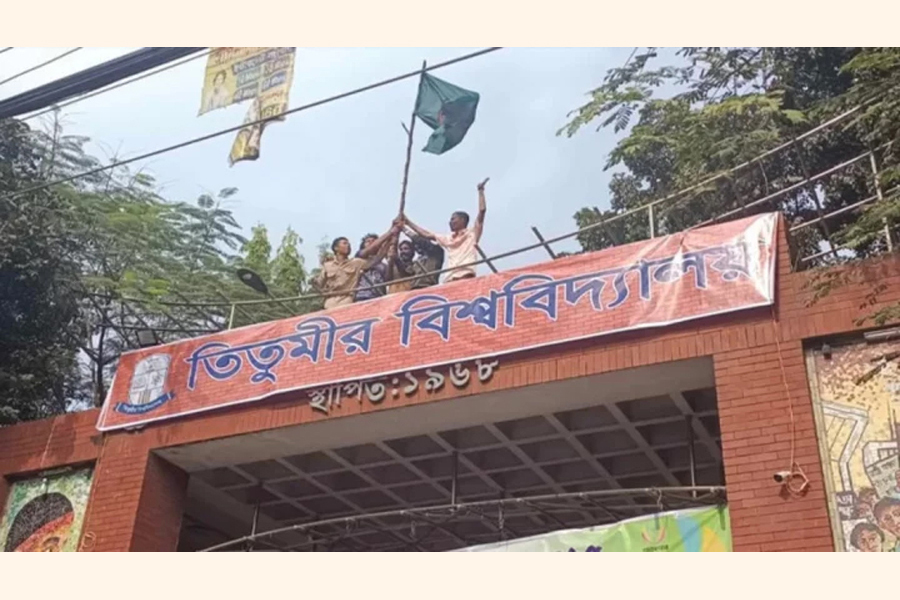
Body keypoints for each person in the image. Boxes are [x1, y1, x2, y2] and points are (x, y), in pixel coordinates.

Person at [404, 178, 488, 283]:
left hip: (466, 276)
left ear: (462, 220)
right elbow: (427, 234)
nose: (450, 222)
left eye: (453, 219)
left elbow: (482, 211)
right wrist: (407, 223)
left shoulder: (472, 233)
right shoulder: (449, 238)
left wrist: (480, 191)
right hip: (450, 279)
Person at [313, 222, 400, 310]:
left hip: (348, 301)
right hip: (330, 302)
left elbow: (376, 260)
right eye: (344, 243)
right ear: (336, 248)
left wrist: (392, 238)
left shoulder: (356, 262)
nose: (348, 245)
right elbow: (318, 284)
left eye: (349, 244)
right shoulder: (327, 266)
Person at [355, 233, 390, 302]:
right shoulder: (359, 259)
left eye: (374, 241)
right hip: (361, 296)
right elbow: (376, 259)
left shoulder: (383, 265)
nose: (371, 243)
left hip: (379, 298)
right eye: (368, 241)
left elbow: (388, 280)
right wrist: (391, 233)